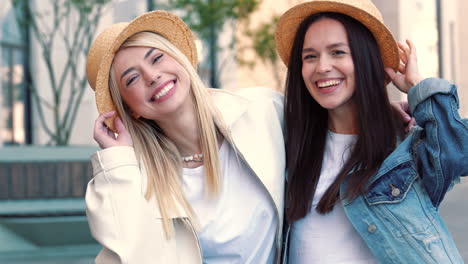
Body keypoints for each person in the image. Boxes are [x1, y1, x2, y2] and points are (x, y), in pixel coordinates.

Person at [84, 11, 286, 263]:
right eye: (132, 78)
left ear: (181, 61)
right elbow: (132, 255)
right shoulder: (133, 176)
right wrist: (117, 161)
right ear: (130, 109)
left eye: (156, 58)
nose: (152, 76)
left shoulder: (263, 111)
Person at [275, 0, 468, 263]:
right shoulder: (289, 144)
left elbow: (459, 153)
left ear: (366, 59)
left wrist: (418, 88)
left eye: (338, 52)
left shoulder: (403, 151)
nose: (322, 67)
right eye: (310, 56)